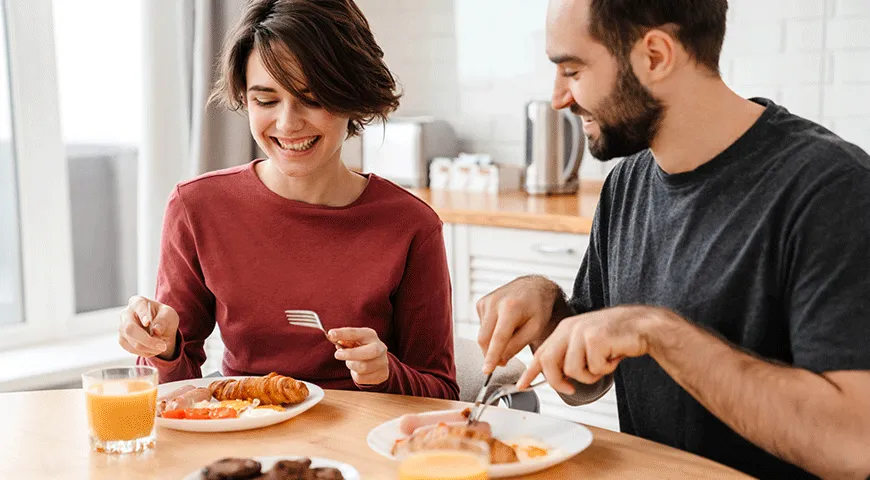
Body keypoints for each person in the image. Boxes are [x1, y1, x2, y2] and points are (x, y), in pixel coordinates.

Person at [477, 0, 870, 477]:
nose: (560, 97)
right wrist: (549, 313)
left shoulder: (834, 189)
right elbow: (584, 385)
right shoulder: (627, 183)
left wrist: (658, 332)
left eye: (573, 70)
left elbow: (854, 445)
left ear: (656, 56)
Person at [117, 0, 459, 400]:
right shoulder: (197, 207)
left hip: (363, 448)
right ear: (245, 100)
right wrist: (164, 347)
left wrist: (385, 373)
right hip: (243, 440)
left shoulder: (409, 224)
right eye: (265, 100)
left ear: (353, 96)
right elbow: (169, 391)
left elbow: (443, 394)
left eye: (312, 98)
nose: (287, 123)